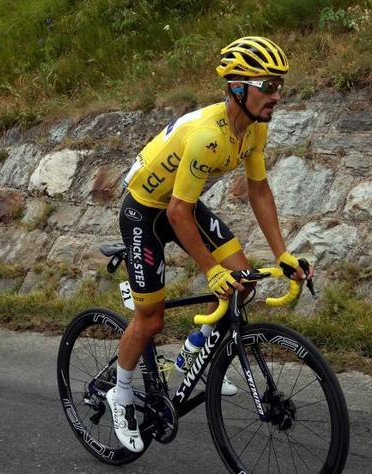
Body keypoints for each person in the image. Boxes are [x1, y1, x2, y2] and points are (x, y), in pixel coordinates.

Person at [109, 36, 313, 452]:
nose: (277, 95)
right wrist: (212, 270)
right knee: (150, 319)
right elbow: (176, 214)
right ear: (238, 88)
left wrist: (282, 254)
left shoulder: (252, 129)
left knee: (244, 281)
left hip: (180, 204)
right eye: (269, 85)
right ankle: (121, 393)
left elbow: (259, 190)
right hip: (146, 209)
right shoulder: (207, 136)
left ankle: (189, 358)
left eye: (280, 86)